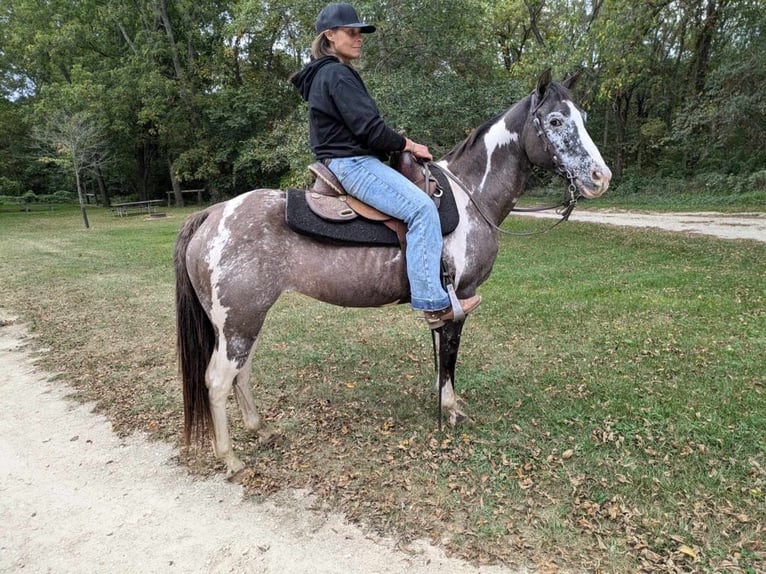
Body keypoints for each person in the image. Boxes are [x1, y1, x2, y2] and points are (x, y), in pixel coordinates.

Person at [290, 2, 480, 328]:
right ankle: (434, 304)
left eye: (360, 32)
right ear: (330, 36)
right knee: (421, 209)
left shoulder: (325, 75)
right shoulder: (336, 74)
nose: (359, 38)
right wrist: (409, 145)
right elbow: (370, 130)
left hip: (343, 160)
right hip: (353, 164)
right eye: (351, 32)